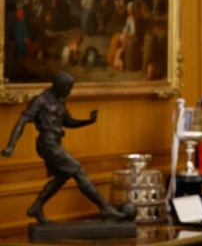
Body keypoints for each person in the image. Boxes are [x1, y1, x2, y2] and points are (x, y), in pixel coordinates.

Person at [1, 71, 127, 223]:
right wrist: (11, 145)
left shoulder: (60, 101)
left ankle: (36, 207)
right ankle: (105, 208)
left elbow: (69, 122)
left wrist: (89, 121)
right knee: (78, 171)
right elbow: (22, 121)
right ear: (59, 86)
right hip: (47, 144)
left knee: (62, 176)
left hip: (55, 143)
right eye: (68, 88)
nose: (70, 91)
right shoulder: (41, 100)